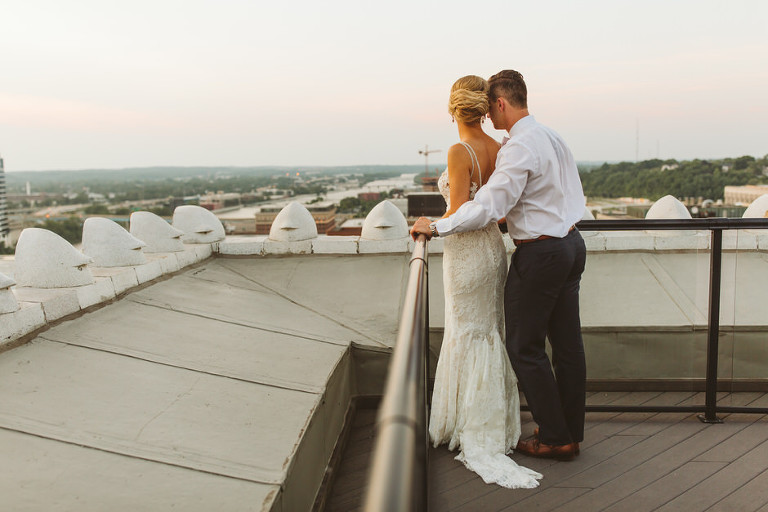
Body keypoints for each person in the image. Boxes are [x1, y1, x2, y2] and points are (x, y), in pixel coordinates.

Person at [412, 69, 587, 461]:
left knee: (523, 346)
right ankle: (569, 431)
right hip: (572, 244)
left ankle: (555, 436)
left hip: (542, 253)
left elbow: (488, 206)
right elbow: (568, 194)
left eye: (492, 107)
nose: (488, 115)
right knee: (567, 345)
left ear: (502, 103)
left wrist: (437, 227)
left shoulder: (519, 147)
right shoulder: (550, 136)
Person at [423, 74, 542, 489]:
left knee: (468, 331)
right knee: (489, 331)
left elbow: (457, 212)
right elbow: (498, 208)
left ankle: (468, 422)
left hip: (466, 254)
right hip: (494, 249)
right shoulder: (498, 147)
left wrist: (428, 225)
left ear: (453, 108)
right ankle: (494, 419)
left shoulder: (460, 150)